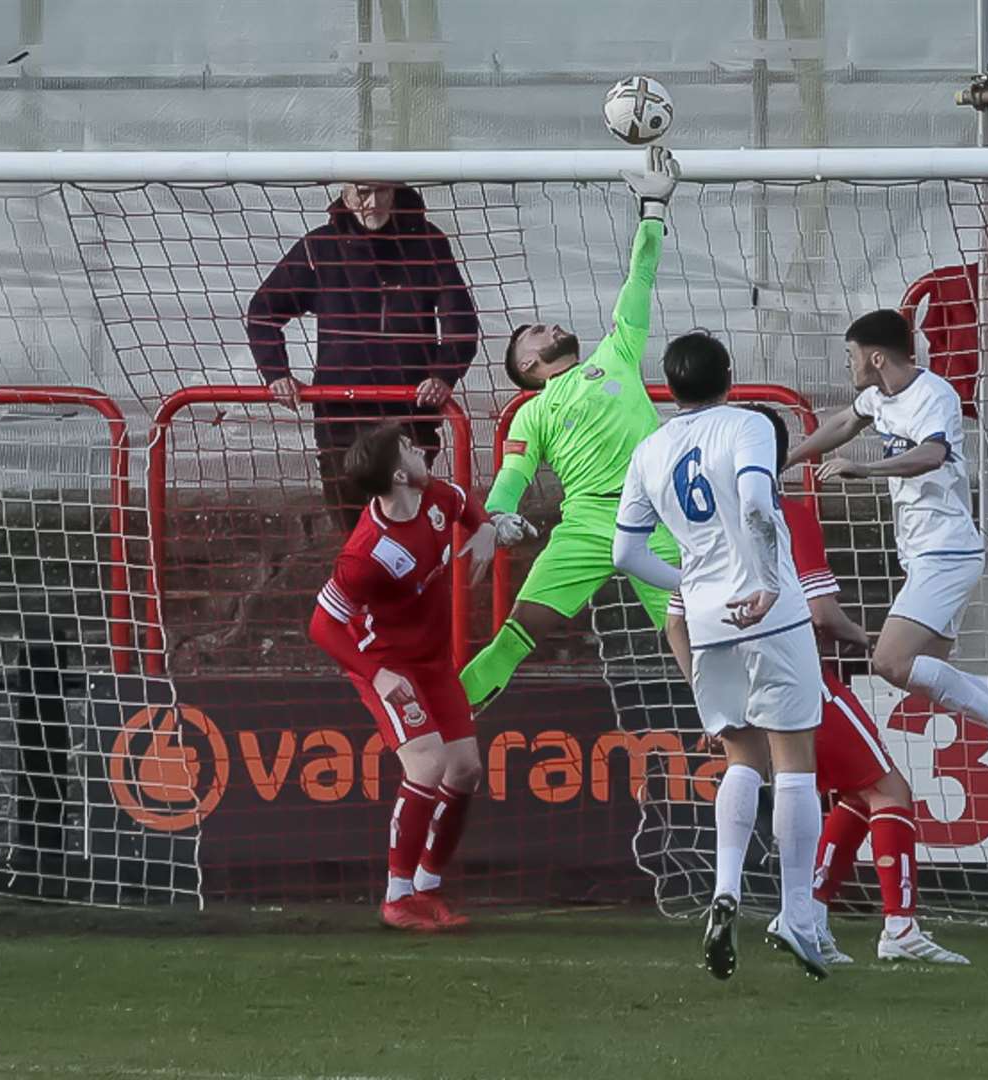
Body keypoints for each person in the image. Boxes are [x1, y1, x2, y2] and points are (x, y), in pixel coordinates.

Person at [664, 404, 969, 966]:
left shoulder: (707, 525)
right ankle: (892, 926)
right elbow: (822, 615)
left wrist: (705, 699)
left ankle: (803, 910)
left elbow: (674, 620)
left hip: (726, 673)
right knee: (888, 791)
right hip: (796, 675)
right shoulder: (785, 514)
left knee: (832, 790)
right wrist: (869, 638)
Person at [785, 309, 988, 804]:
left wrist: (866, 470)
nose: (847, 366)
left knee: (890, 662)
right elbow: (845, 422)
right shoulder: (878, 396)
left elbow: (933, 455)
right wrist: (787, 457)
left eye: (851, 356)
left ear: (876, 357)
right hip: (922, 555)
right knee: (926, 672)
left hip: (947, 550)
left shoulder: (934, 394)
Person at [612, 331, 830, 981]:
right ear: (729, 377)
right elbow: (758, 504)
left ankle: (724, 890)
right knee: (793, 764)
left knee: (740, 755)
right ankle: (796, 914)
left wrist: (687, 586)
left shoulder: (649, 449)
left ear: (669, 388)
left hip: (706, 620)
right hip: (770, 609)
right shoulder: (748, 425)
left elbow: (625, 554)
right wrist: (763, 581)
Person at [460, 146, 683, 713]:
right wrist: (496, 516)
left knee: (699, 631)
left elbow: (641, 277)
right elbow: (513, 473)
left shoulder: (617, 352)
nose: (549, 324)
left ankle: (741, 737)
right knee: (517, 632)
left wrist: (653, 208)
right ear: (527, 366)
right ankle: (448, 716)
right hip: (585, 523)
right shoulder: (530, 412)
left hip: (653, 512)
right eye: (534, 330)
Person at [306, 423, 516, 932]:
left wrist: (486, 528)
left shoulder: (434, 495)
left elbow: (466, 502)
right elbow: (322, 623)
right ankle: (396, 897)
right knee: (426, 762)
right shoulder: (365, 552)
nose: (422, 449)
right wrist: (376, 675)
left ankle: (427, 886)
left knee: (464, 770)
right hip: (389, 666)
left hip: (433, 661)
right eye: (409, 448)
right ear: (399, 474)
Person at [246, 182, 479, 532]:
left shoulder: (428, 243)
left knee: (408, 523)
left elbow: (461, 322)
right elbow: (262, 311)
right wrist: (276, 373)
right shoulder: (320, 247)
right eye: (362, 192)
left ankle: (410, 585)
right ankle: (361, 586)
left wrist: (443, 375)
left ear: (396, 192)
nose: (372, 203)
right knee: (354, 528)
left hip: (409, 416)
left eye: (382, 192)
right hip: (340, 418)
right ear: (344, 192)